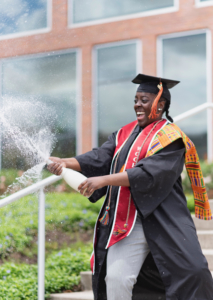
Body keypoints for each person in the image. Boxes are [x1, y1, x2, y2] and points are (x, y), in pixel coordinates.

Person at [47, 74, 213, 300]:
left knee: (194, 272)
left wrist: (104, 180)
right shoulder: (124, 134)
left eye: (144, 100)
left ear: (160, 104)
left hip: (164, 219)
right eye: (136, 100)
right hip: (127, 221)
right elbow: (100, 158)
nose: (137, 105)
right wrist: (65, 162)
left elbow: (148, 173)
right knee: (116, 278)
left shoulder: (171, 138)